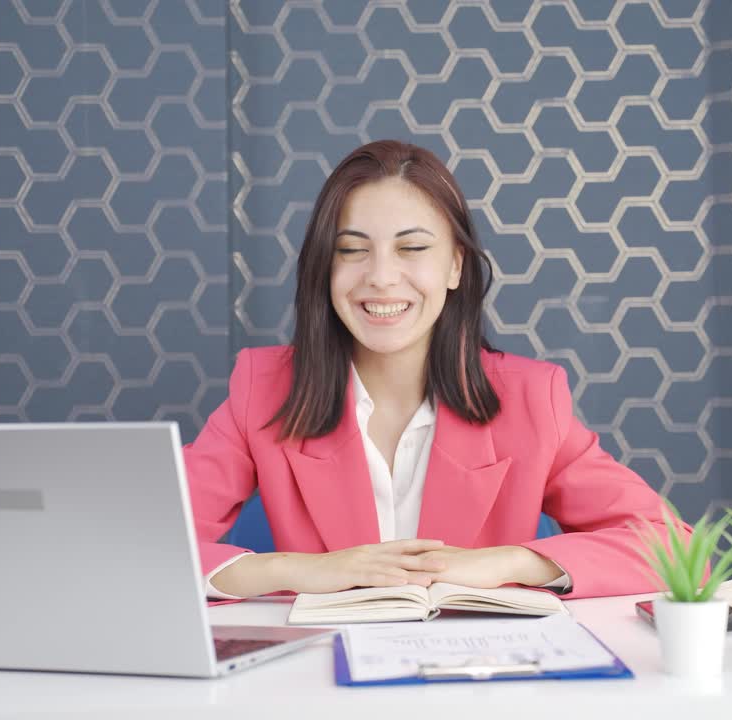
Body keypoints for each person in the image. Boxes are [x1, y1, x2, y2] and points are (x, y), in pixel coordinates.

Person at [183, 140, 682, 600]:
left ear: (455, 266)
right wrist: (295, 571)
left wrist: (512, 562)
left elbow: (672, 548)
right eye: (352, 250)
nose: (379, 277)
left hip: (478, 680)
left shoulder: (532, 398)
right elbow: (136, 544)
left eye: (412, 248)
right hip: (319, 682)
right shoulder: (263, 388)